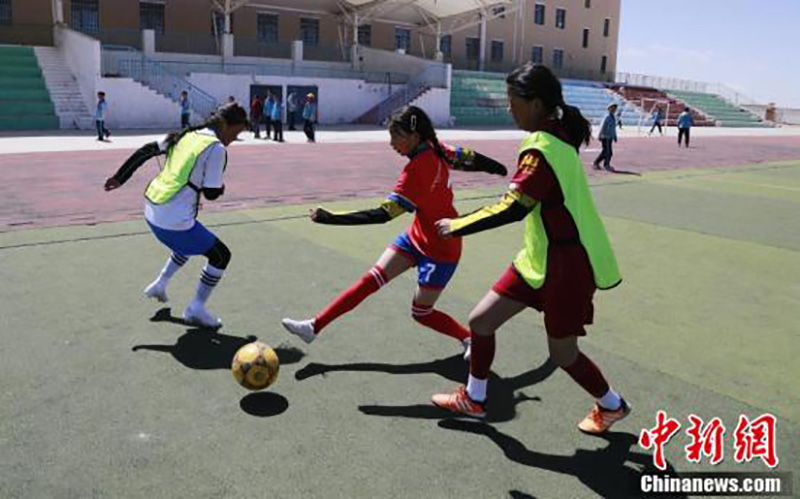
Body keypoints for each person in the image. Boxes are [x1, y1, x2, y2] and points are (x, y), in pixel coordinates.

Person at [431, 63, 629, 435]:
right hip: (539, 260)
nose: (510, 108)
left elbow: (513, 208)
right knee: (481, 321)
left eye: (513, 100)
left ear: (535, 103)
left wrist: (456, 226)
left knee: (563, 354)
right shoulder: (553, 141)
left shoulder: (541, 151)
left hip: (567, 269)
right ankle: (475, 398)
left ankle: (612, 404)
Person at [281, 106, 507, 359]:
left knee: (421, 312)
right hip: (416, 237)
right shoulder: (437, 147)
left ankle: (468, 337)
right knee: (370, 281)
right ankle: (314, 326)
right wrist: (497, 168)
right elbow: (468, 157)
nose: (391, 143)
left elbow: (382, 215)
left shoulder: (415, 172)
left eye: (395, 136)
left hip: (442, 248)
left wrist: (331, 218)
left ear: (414, 135)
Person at [103, 103, 249, 327]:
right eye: (236, 132)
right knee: (221, 256)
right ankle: (196, 308)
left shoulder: (188, 134)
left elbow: (146, 150)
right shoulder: (216, 148)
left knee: (190, 241)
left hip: (152, 211)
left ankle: (160, 283)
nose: (233, 139)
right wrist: (220, 188)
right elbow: (211, 194)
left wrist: (119, 177)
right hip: (172, 221)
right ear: (227, 125)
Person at [592, 102, 617, 171]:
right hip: (605, 137)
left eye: (615, 108)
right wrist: (599, 136)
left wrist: (615, 136)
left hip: (610, 137)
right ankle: (604, 164)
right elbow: (602, 127)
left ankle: (600, 163)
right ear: (609, 108)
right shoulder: (607, 117)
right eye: (612, 108)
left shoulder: (613, 117)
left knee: (607, 152)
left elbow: (613, 128)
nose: (614, 109)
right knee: (607, 152)